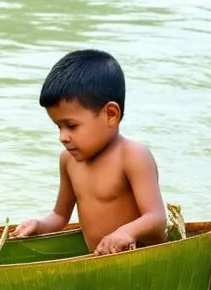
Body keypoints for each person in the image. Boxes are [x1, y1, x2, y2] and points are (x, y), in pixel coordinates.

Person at [13, 49, 167, 255]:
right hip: (98, 262)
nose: (63, 137)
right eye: (58, 127)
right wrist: (38, 225)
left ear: (110, 115)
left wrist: (126, 233)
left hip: (141, 260)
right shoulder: (68, 161)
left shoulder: (132, 156)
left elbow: (157, 219)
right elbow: (59, 216)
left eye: (71, 125)